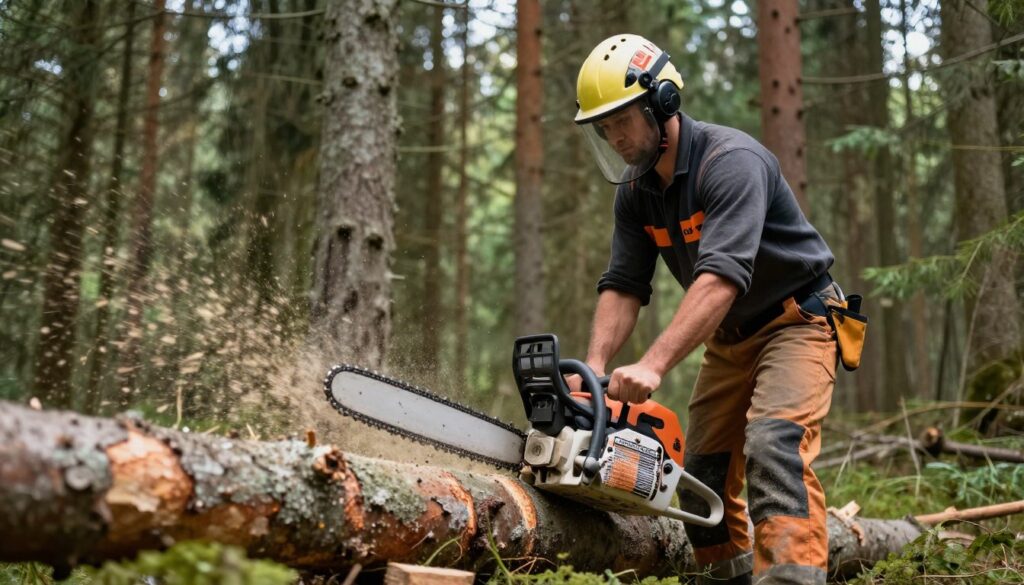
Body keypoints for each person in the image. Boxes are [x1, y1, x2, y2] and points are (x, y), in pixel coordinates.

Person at [570, 34, 842, 585]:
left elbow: (720, 279)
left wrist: (653, 364)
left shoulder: (731, 162)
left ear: (662, 103)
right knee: (700, 477)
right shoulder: (637, 193)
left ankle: (793, 578)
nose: (616, 137)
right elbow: (623, 285)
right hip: (732, 336)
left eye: (623, 119)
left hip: (799, 320)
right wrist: (595, 368)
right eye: (604, 127)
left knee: (774, 444)